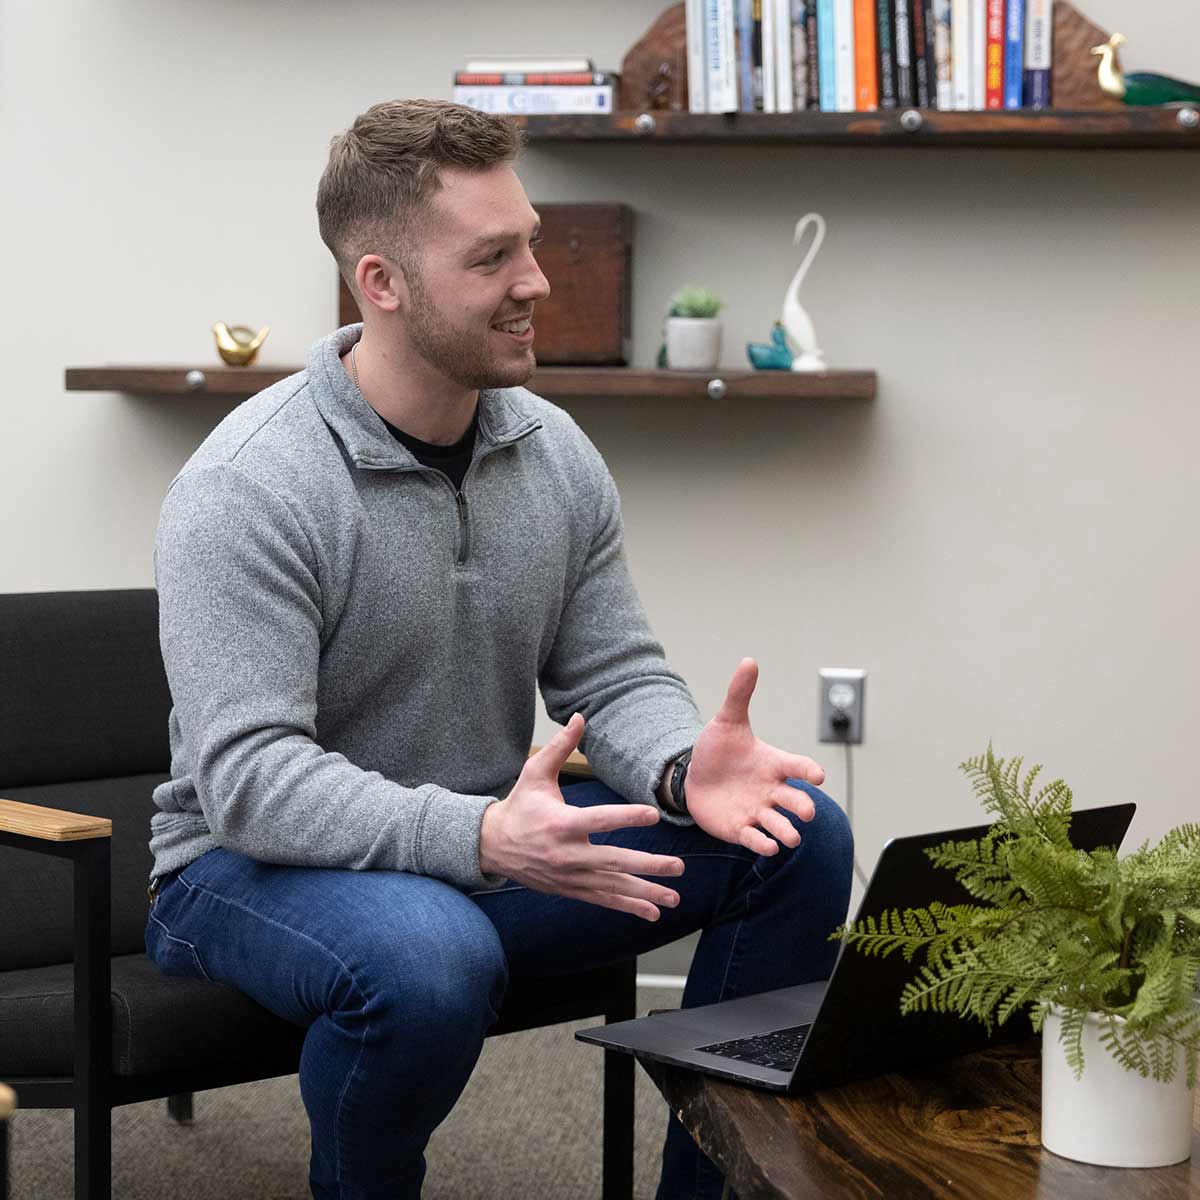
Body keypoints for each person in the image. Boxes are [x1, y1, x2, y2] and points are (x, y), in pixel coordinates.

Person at [144, 98, 853, 1200]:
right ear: (381, 284)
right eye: (494, 257)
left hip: (488, 852)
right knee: (428, 956)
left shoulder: (550, 449)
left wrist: (678, 765)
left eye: (530, 241)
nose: (537, 279)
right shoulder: (250, 488)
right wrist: (477, 834)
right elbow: (250, 784)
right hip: (247, 875)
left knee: (796, 837)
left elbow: (611, 672)